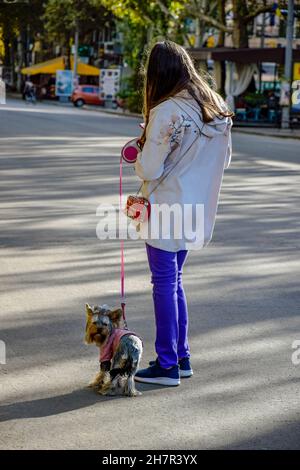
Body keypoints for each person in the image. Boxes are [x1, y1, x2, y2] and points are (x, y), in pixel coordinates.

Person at [133, 40, 233, 387]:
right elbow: (225, 160)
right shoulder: (216, 106)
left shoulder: (166, 111)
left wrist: (140, 147)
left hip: (167, 208)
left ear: (157, 74)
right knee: (173, 281)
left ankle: (167, 365)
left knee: (163, 283)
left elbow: (148, 169)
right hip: (196, 207)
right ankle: (181, 356)